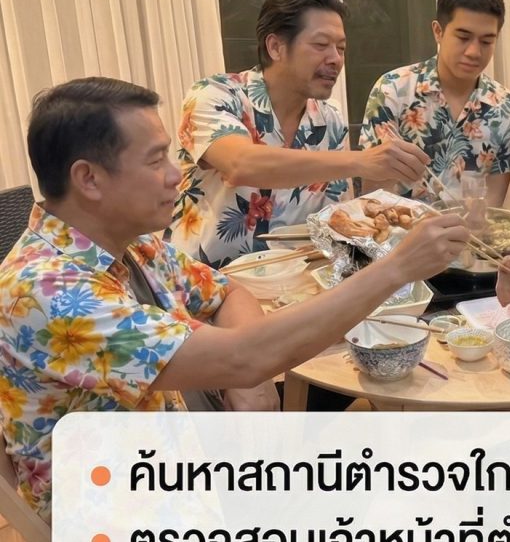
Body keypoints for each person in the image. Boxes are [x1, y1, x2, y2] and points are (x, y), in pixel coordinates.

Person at [0, 77, 468, 522]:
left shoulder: (131, 245)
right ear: (89, 179)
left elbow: (226, 291)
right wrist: (396, 268)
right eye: (156, 160)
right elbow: (243, 356)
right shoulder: (47, 291)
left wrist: (250, 376)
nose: (175, 175)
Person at [166, 0, 429, 268]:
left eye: (341, 48)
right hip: (201, 279)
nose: (335, 59)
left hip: (291, 280)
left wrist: (386, 192)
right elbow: (241, 164)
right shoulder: (215, 95)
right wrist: (361, 161)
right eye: (321, 45)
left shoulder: (329, 119)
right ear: (276, 47)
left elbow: (336, 220)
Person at [359, 0, 510, 208]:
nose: (474, 52)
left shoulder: (504, 105)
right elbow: (374, 196)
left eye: (486, 42)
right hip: (402, 229)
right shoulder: (392, 90)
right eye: (463, 37)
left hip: (471, 230)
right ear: (438, 31)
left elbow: (493, 202)